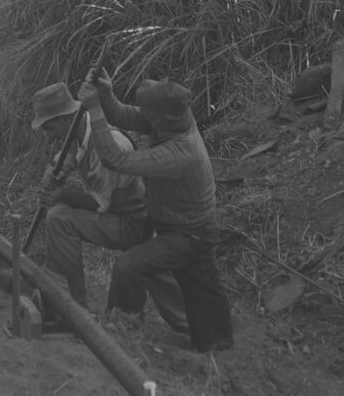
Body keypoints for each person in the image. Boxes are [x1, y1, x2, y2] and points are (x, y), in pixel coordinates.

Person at [79, 69, 234, 353]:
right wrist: (106, 94)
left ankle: (124, 334)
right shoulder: (170, 121)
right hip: (181, 225)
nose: (144, 113)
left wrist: (94, 109)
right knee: (201, 287)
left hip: (190, 234)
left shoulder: (180, 152)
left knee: (130, 266)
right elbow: (124, 115)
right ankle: (215, 342)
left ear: (162, 117)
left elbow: (115, 159)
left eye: (149, 110)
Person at [33, 82, 188, 335]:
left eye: (49, 127)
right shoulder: (77, 131)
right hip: (122, 217)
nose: (48, 134)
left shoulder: (106, 143)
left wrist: (61, 194)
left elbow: (98, 204)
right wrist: (54, 173)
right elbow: (70, 156)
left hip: (134, 221)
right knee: (155, 279)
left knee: (60, 218)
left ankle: (77, 309)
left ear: (64, 119)